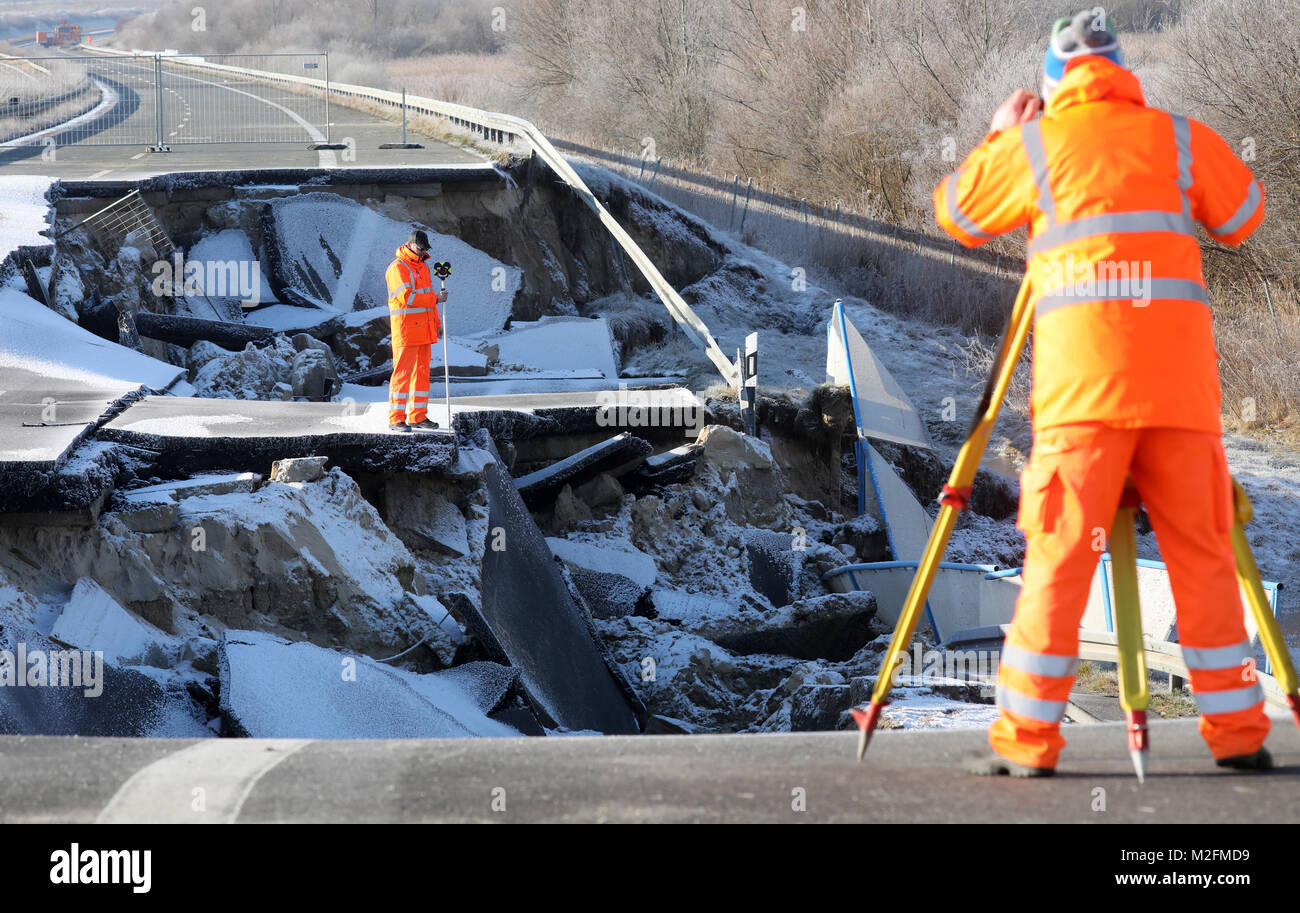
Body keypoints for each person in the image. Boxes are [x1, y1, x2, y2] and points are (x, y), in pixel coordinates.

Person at [933, 10, 1269, 776]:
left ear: (1055, 86)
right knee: (1205, 558)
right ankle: (1241, 736)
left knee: (1057, 562)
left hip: (1082, 402)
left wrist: (997, 138)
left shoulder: (1034, 147)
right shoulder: (1179, 138)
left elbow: (957, 216)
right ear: (1124, 74)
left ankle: (1027, 744)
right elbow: (1245, 217)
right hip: (1182, 398)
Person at [385, 229, 447, 432]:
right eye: (420, 248)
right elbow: (408, 298)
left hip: (424, 330)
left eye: (424, 249)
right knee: (402, 374)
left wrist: (437, 323)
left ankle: (418, 417)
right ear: (410, 244)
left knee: (421, 374)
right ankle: (396, 419)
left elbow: (428, 299)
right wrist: (436, 298)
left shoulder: (423, 267)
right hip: (406, 331)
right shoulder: (398, 268)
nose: (422, 252)